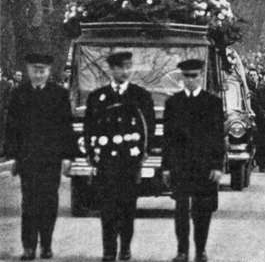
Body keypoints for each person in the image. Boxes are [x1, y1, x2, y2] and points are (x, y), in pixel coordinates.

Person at [84, 52, 155, 261]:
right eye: (119, 68)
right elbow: (89, 128)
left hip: (129, 162)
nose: (124, 72)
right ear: (111, 70)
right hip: (106, 162)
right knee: (107, 208)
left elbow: (148, 127)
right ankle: (108, 250)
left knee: (127, 207)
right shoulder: (97, 97)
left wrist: (142, 154)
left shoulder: (140, 96)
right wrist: (91, 154)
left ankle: (125, 247)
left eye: (127, 67)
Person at [5, 53, 76, 260]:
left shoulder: (59, 94)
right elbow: (12, 127)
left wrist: (67, 156)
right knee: (29, 203)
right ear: (28, 70)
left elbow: (66, 127)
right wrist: (13, 156)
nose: (39, 74)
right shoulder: (19, 94)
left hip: (51, 159)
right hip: (28, 158)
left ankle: (46, 244)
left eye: (42, 70)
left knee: (49, 203)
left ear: (49, 72)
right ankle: (28, 246)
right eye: (35, 70)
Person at [162, 59, 225, 262]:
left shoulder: (212, 102)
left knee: (202, 210)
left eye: (195, 76)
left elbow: (217, 136)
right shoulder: (173, 103)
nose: (191, 80)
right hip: (180, 165)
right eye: (187, 76)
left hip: (204, 165)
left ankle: (200, 250)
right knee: (181, 209)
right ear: (182, 77)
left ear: (201, 77)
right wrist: (166, 167)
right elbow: (168, 138)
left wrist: (217, 165)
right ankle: (182, 251)